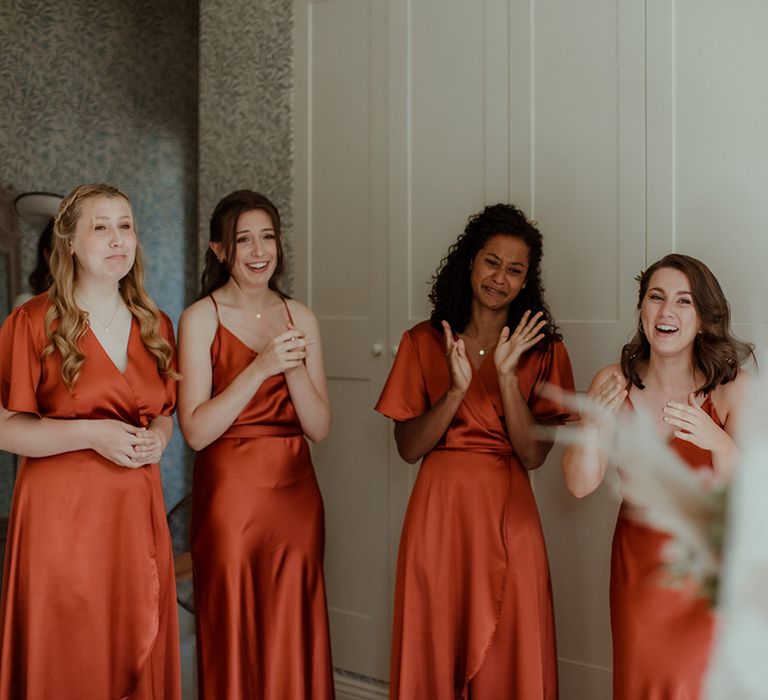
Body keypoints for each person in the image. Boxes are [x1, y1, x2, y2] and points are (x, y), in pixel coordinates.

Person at [376, 204, 575, 699]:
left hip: (510, 513)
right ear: (470, 261)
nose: (499, 278)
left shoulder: (546, 349)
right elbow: (407, 447)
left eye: (515, 270)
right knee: (436, 638)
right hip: (438, 515)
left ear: (527, 280)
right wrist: (454, 392)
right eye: (492, 262)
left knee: (511, 647)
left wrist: (507, 379)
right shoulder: (423, 341)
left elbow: (533, 457)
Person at [0, 183, 181, 698]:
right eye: (100, 227)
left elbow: (163, 414)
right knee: (71, 653)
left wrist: (161, 442)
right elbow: (5, 428)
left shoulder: (156, 323)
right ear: (71, 243)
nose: (117, 238)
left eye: (125, 225)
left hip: (135, 514)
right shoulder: (32, 320)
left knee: (136, 636)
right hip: (61, 517)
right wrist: (92, 433)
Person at [561, 253, 752, 698]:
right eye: (656, 297)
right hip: (638, 565)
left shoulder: (732, 388)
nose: (667, 311)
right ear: (642, 310)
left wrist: (719, 442)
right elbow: (578, 484)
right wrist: (592, 427)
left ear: (703, 318)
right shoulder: (612, 380)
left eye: (684, 301)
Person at [178, 190, 334, 699]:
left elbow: (319, 427)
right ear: (220, 251)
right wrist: (261, 367)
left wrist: (290, 372)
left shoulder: (302, 318)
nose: (258, 250)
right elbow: (196, 431)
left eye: (267, 237)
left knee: (294, 624)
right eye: (243, 240)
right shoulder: (200, 318)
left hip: (296, 497)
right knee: (233, 626)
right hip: (230, 498)